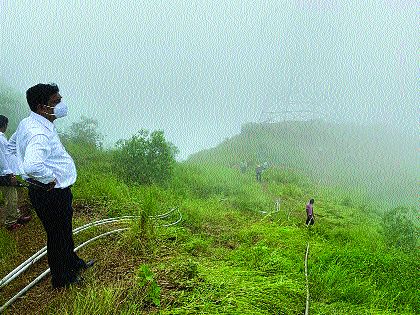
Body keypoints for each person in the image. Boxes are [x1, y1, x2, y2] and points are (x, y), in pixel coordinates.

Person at [12, 83, 93, 288]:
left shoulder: (29, 123)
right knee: (57, 236)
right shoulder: (40, 133)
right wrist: (49, 178)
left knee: (64, 230)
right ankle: (62, 279)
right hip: (50, 192)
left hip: (50, 190)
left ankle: (73, 263)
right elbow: (33, 165)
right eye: (56, 102)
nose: (61, 105)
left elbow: (12, 145)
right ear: (41, 107)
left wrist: (18, 168)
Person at [0, 115, 31, 230]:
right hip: (4, 174)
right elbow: (2, 158)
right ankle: (11, 223)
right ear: (4, 125)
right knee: (11, 198)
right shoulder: (0, 138)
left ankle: (16, 216)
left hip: (4, 173)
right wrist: (10, 173)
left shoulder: (2, 138)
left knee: (13, 196)